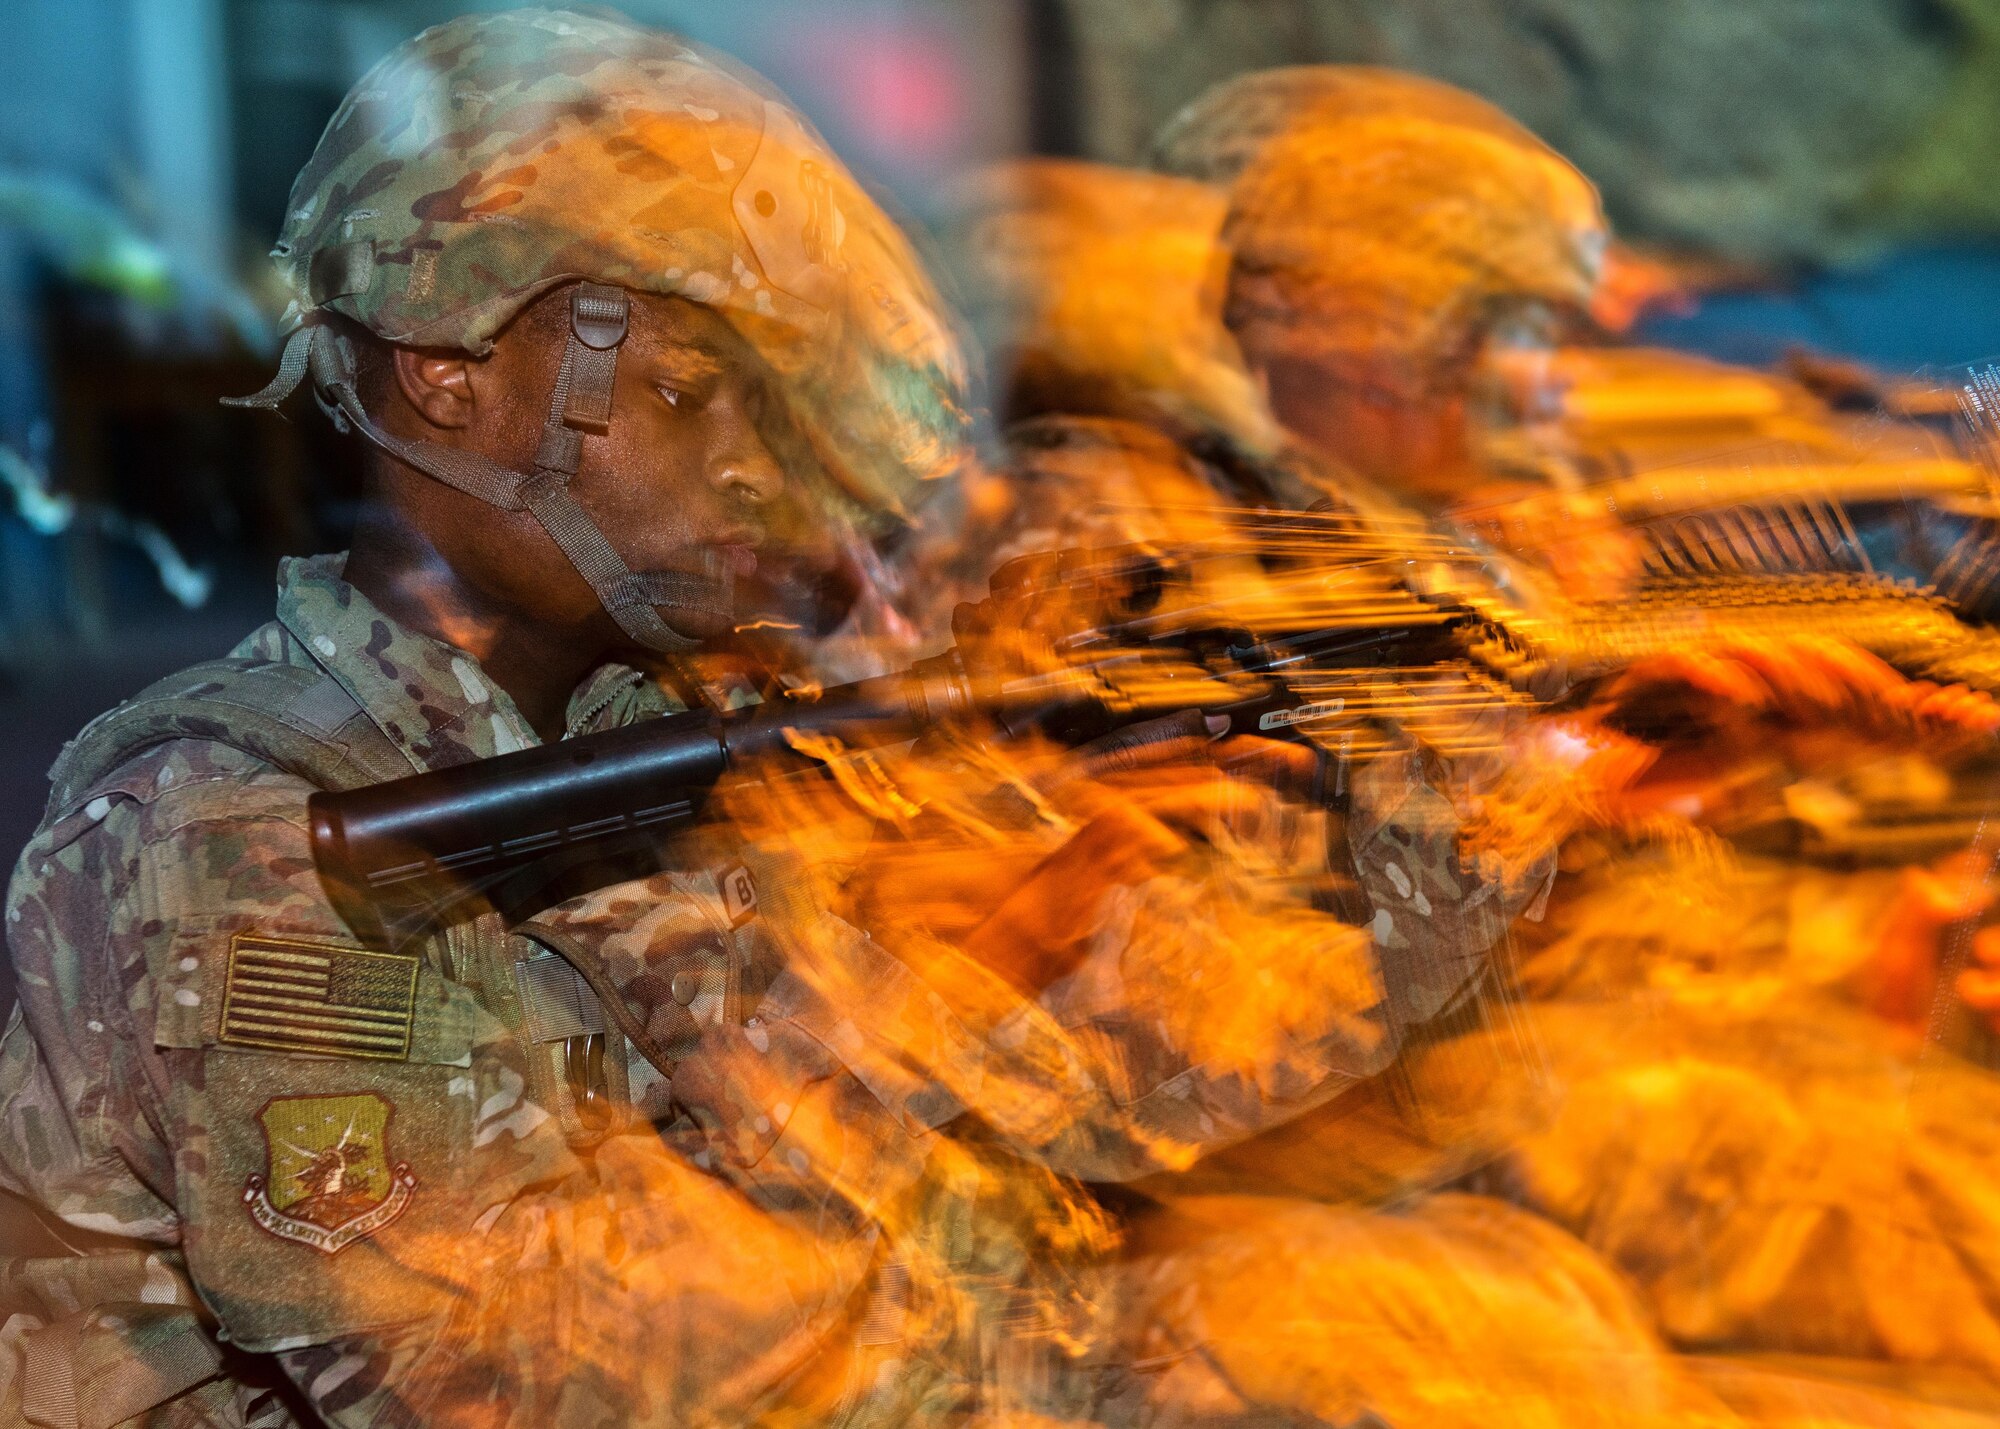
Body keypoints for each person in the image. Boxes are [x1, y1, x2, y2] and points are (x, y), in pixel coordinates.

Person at [0, 15, 1580, 1427]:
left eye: (777, 407)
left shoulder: (667, 736)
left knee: (1458, 1322)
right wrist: (953, 989)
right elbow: (541, 1381)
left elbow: (1112, 1085)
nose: (762, 470)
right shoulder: (228, 845)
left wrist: (1448, 831)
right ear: (441, 379)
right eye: (697, 396)